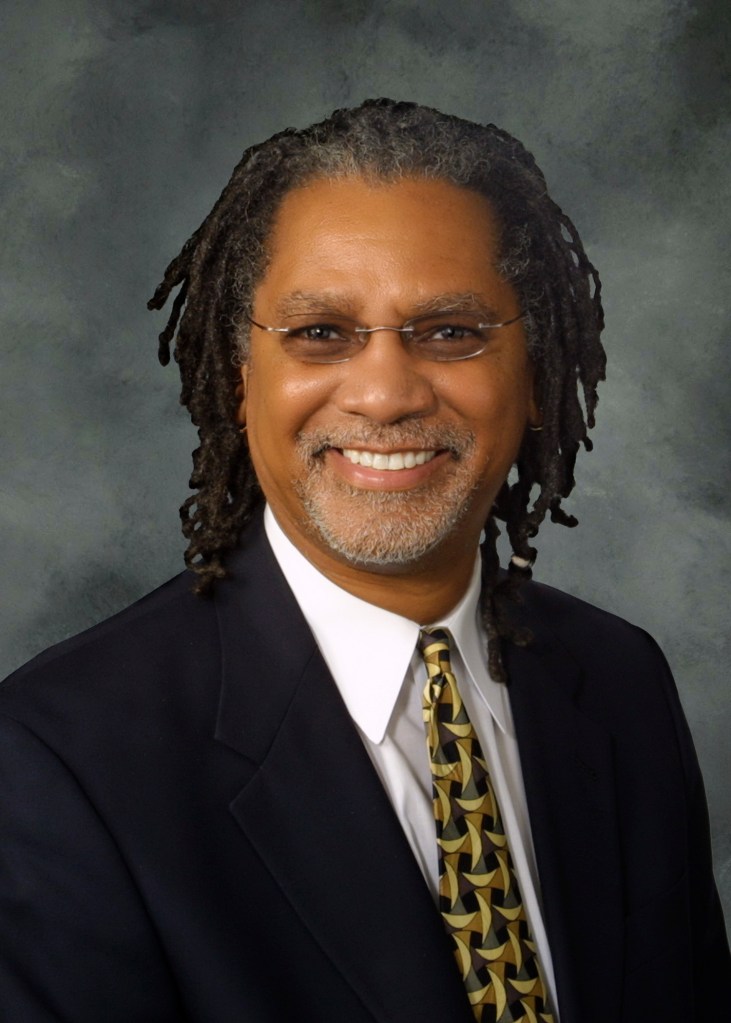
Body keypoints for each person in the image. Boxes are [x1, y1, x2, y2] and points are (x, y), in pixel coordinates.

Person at [0, 99, 728, 1022]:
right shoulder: (56, 759)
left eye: (450, 330)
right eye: (320, 333)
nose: (384, 394)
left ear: (535, 373)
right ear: (240, 375)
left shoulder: (620, 680)